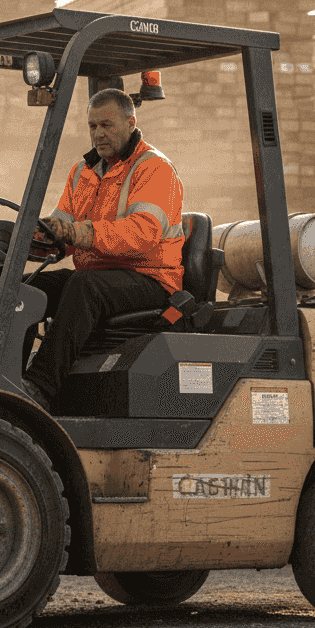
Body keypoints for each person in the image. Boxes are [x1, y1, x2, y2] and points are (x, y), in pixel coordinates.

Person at [21, 87, 186, 412]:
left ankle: (39, 388)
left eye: (107, 125)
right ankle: (8, 376)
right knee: (27, 288)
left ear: (130, 122)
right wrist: (36, 239)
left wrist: (79, 233)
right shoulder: (83, 173)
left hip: (151, 280)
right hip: (102, 278)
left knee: (84, 287)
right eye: (93, 126)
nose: (99, 133)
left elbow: (142, 234)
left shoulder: (155, 169)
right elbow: (62, 232)